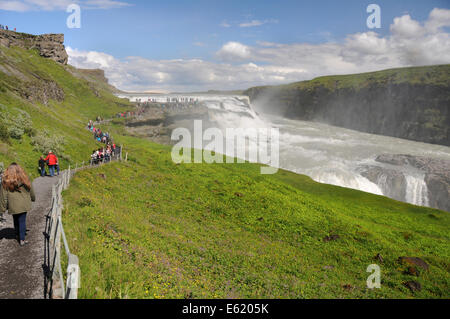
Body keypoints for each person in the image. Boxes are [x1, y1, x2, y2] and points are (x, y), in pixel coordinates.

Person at [0, 163, 36, 246]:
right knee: (22, 221)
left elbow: (3, 196)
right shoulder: (25, 179)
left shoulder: (5, 181)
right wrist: (33, 198)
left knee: (15, 219)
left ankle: (17, 234)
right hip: (24, 204)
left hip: (13, 204)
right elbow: (31, 190)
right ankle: (22, 239)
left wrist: (2, 209)